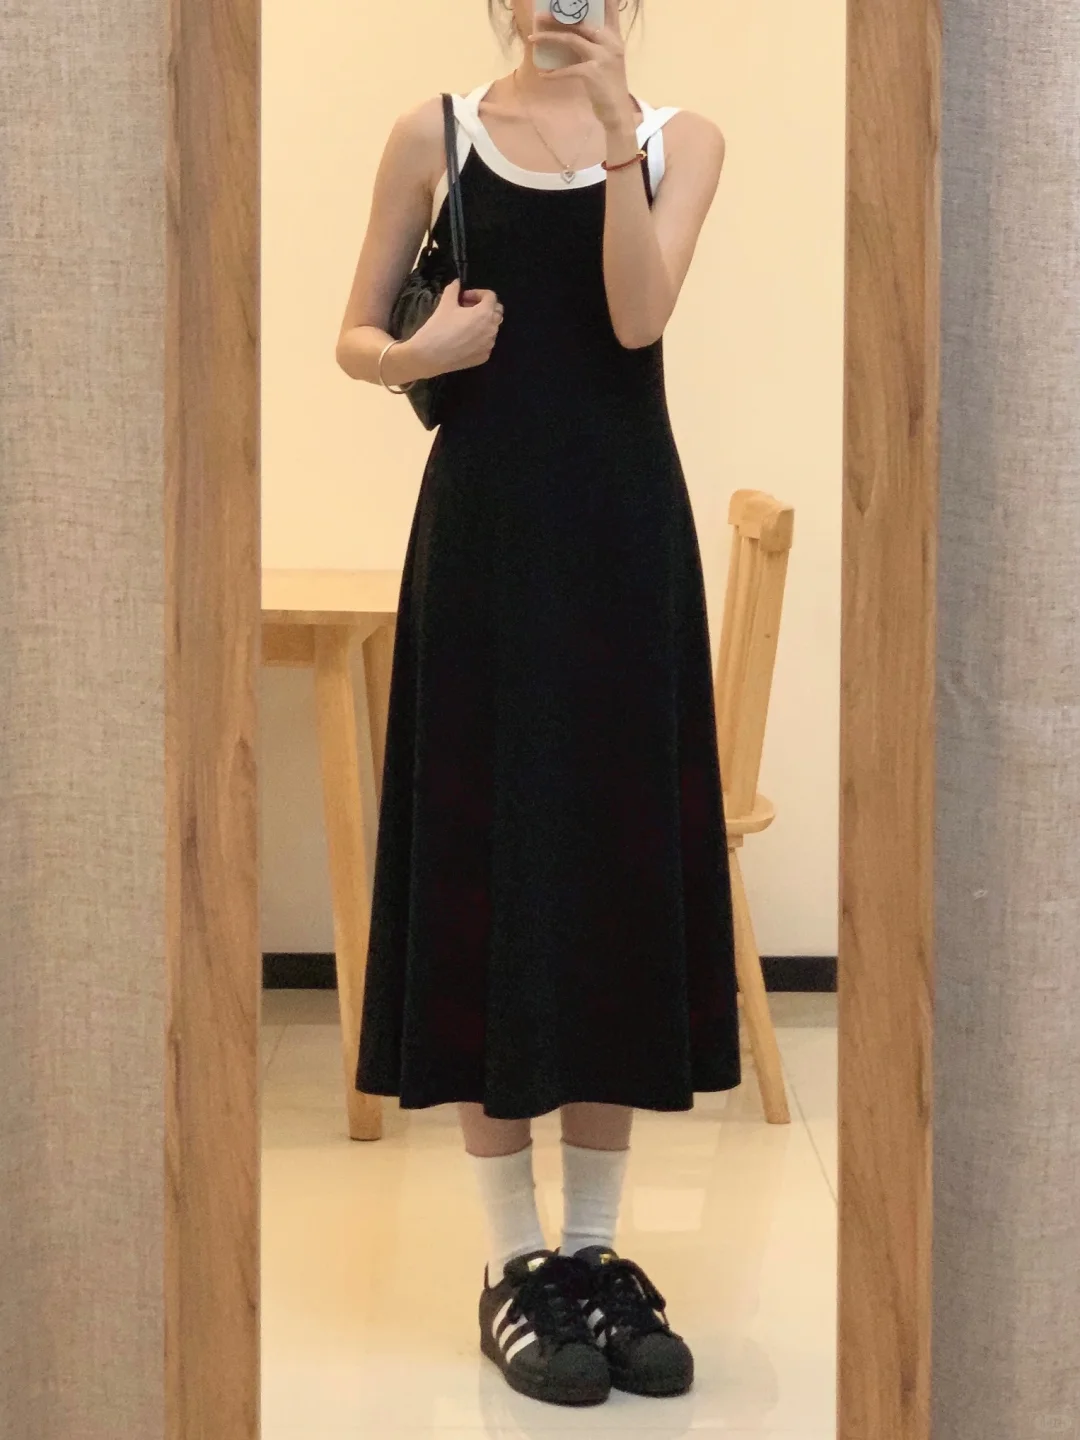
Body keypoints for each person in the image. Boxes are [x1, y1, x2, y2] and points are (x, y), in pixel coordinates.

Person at [336, 0, 740, 1409]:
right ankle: (514, 1264)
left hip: (625, 544)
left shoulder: (683, 140)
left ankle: (593, 1255)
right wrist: (418, 356)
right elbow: (354, 334)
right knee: (485, 870)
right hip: (486, 549)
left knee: (612, 874)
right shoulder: (432, 134)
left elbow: (637, 317)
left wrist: (621, 134)